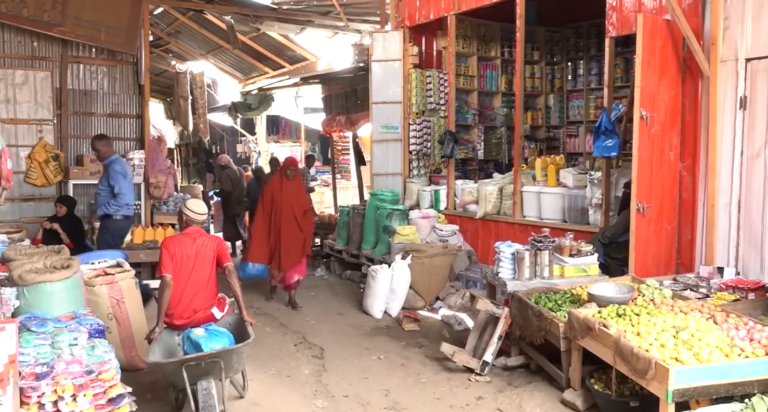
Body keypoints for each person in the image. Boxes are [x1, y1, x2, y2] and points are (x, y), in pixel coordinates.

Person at [145, 199, 254, 343]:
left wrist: (159, 326)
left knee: (162, 296)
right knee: (223, 300)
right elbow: (229, 271)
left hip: (175, 321)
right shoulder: (217, 243)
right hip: (206, 316)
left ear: (183, 218)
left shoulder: (168, 244)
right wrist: (243, 313)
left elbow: (167, 282)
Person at [245, 157, 315, 311]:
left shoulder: (299, 188)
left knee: (294, 267)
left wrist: (308, 219)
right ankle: (273, 288)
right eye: (288, 170)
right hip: (277, 233)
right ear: (283, 169)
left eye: (293, 171)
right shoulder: (273, 185)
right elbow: (264, 208)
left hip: (295, 235)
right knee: (277, 262)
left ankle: (292, 298)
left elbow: (305, 209)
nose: (290, 173)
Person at [91, 134, 134, 250]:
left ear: (108, 147)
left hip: (115, 220)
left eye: (98, 151)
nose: (96, 155)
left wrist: (99, 212)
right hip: (115, 219)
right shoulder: (115, 164)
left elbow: (123, 198)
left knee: (106, 257)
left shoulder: (115, 167)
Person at [590, 180, 632, 277]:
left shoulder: (629, 213)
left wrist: (600, 238)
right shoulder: (629, 212)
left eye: (627, 191)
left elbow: (612, 233)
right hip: (627, 246)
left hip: (625, 249)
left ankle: (615, 279)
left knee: (609, 254)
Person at [216, 154, 248, 257]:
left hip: (231, 206)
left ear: (224, 164)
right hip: (242, 204)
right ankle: (245, 248)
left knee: (231, 230)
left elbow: (227, 190)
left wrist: (218, 194)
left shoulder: (225, 174)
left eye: (220, 166)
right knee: (242, 227)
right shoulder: (240, 171)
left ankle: (234, 251)